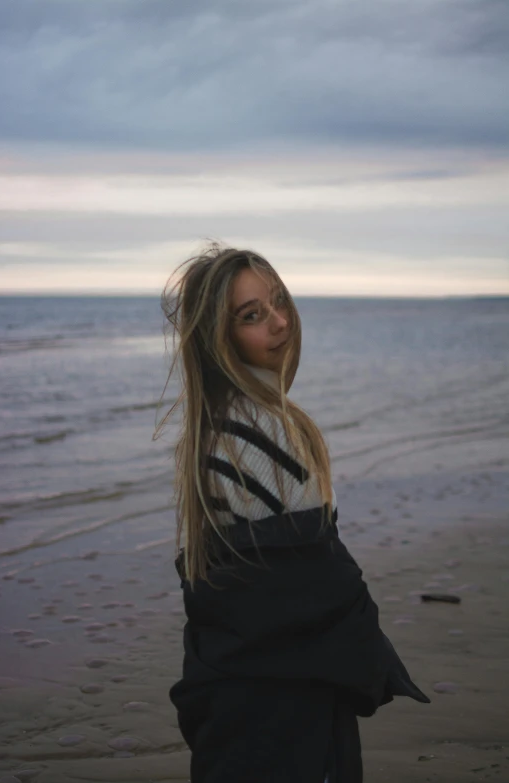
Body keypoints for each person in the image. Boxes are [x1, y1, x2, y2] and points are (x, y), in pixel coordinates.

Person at [156, 243, 430, 783]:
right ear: (219, 340)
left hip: (246, 689)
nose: (280, 322)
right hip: (279, 704)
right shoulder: (258, 433)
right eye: (252, 315)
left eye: (279, 301)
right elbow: (313, 583)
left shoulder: (220, 424)